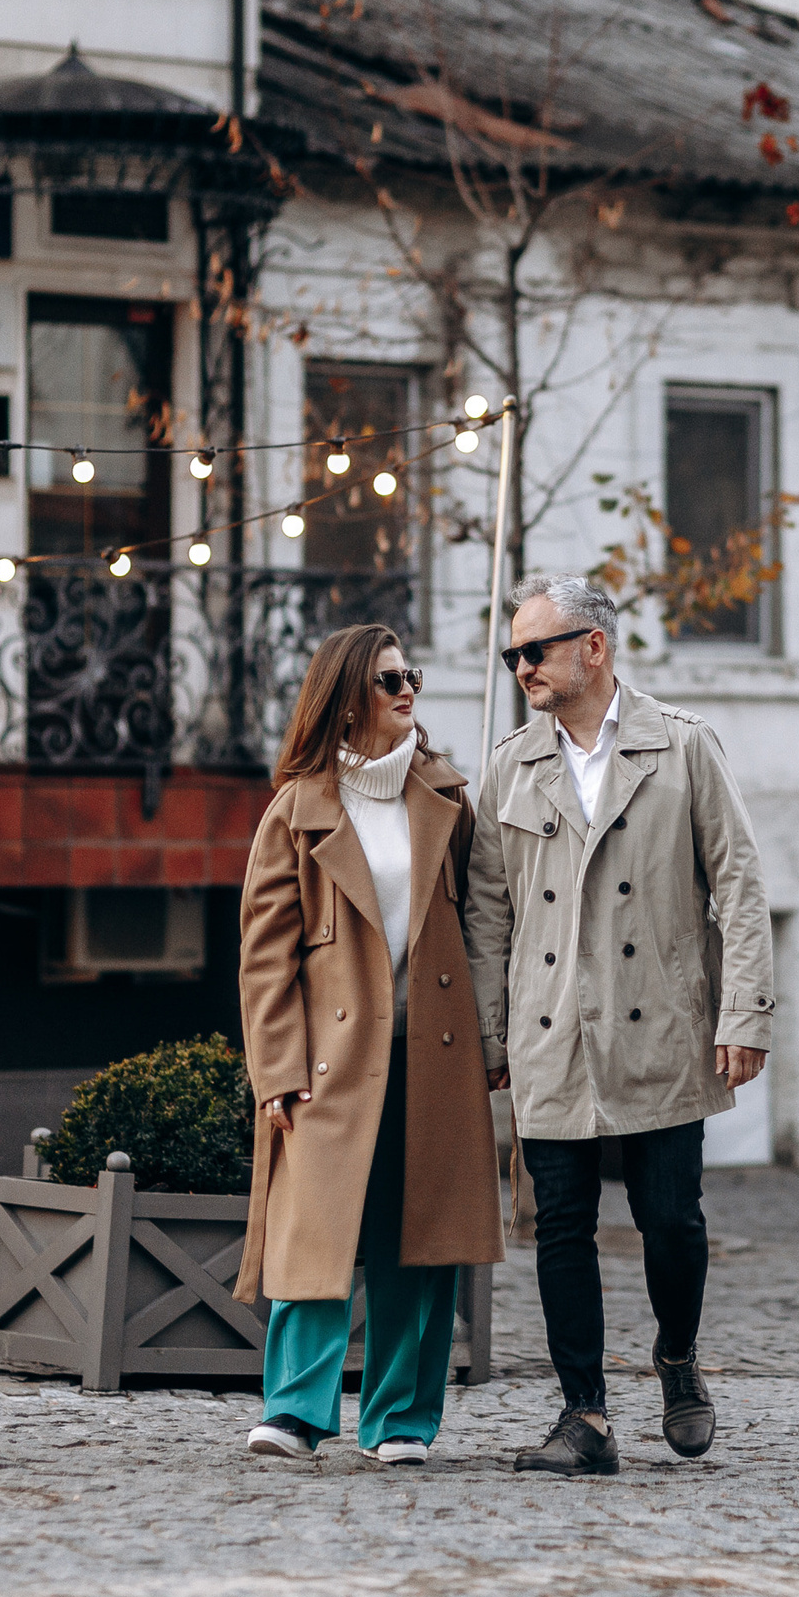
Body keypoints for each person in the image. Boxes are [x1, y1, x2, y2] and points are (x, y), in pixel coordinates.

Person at [463, 574, 775, 1477]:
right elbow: (488, 913)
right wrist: (494, 1033)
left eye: (537, 649)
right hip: (551, 1028)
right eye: (513, 653)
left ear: (591, 647)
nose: (522, 665)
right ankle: (584, 1413)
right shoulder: (509, 765)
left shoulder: (681, 749)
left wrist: (743, 1010)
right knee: (560, 1224)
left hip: (663, 1025)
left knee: (670, 1217)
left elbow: (742, 887)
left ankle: (676, 1356)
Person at [233, 624, 504, 1465]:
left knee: (417, 1246)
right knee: (313, 1240)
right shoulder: (297, 810)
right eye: (390, 678)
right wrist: (275, 1068)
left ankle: (401, 1423)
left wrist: (493, 1044)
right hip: (329, 1064)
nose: (407, 688)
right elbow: (264, 956)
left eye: (411, 674)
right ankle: (295, 1412)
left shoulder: (448, 799)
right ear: (349, 696)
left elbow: (485, 925)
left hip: (436, 1057)